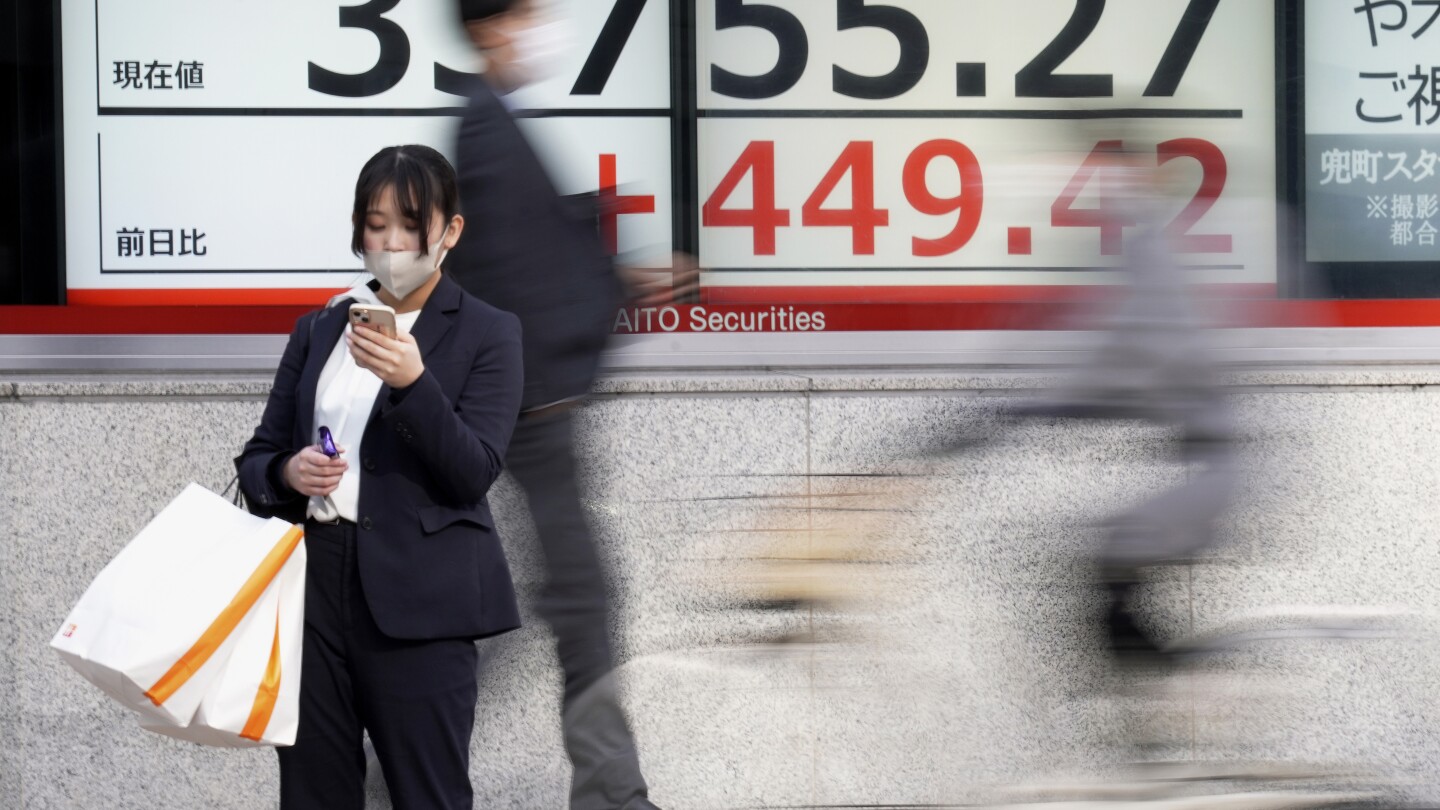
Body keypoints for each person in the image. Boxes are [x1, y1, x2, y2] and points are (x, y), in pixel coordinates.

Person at [235, 144, 525, 809]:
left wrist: (413, 382)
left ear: (449, 232)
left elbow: (473, 471)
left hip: (423, 598)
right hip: (312, 594)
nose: (390, 242)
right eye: (374, 223)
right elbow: (257, 460)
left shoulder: (489, 332)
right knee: (313, 795)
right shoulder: (319, 328)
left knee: (429, 794)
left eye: (409, 223)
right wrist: (290, 470)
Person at [445, 2, 666, 808]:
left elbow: (524, 259)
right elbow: (509, 279)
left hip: (532, 407)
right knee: (577, 599)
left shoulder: (491, 120)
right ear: (494, 26)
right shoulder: (485, 130)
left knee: (552, 602)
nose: (546, 27)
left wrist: (619, 277)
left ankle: (393, 766)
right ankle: (612, 794)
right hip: (535, 412)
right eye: (533, 13)